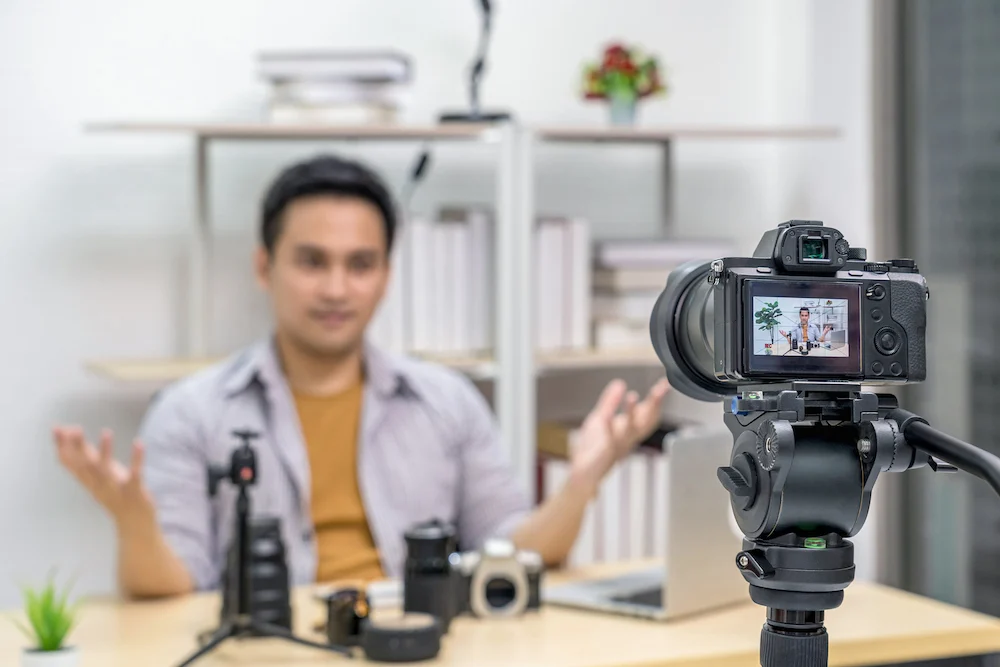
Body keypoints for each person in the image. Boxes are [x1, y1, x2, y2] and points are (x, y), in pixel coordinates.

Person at [52, 154, 670, 600]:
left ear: (386, 275)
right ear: (265, 267)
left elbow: (512, 552)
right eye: (312, 262)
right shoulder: (192, 412)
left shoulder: (445, 401)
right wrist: (133, 523)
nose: (336, 289)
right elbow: (171, 588)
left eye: (360, 264)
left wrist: (582, 482)